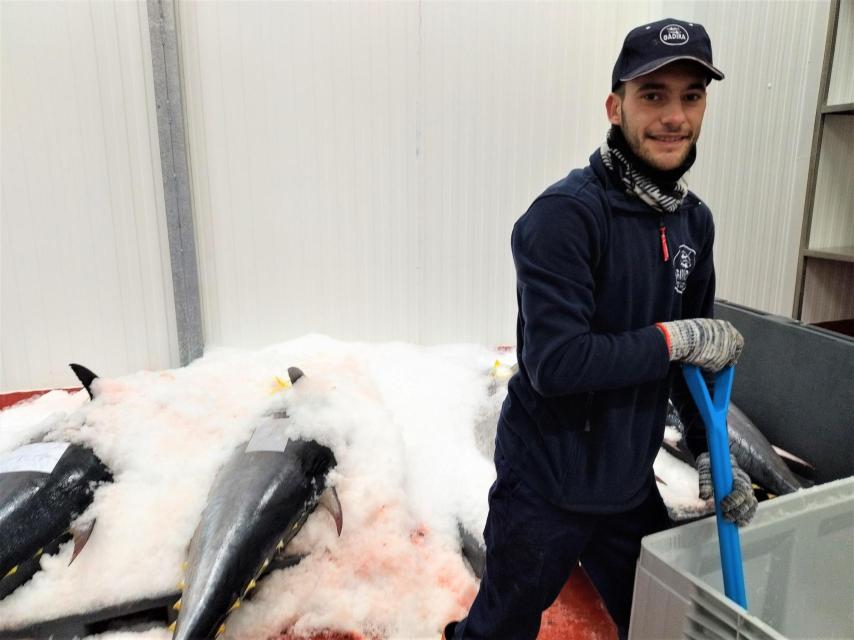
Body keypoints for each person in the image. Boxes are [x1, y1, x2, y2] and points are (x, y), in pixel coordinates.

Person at [445, 18, 757, 640]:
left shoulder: (695, 223)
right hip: (545, 483)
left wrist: (709, 453)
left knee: (660, 620)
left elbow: (691, 368)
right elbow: (557, 364)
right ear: (615, 107)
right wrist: (674, 339)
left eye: (690, 96)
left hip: (626, 481)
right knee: (500, 628)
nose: (674, 116)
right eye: (653, 95)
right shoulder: (565, 217)